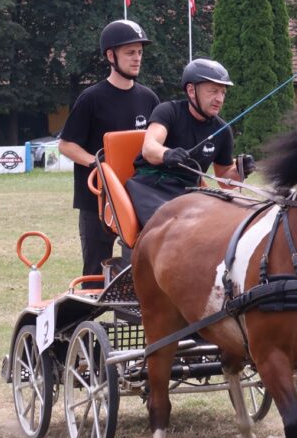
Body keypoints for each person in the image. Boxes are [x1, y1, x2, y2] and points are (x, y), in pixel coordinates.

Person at [58, 19, 159, 283]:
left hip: (138, 199)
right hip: (97, 202)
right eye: (130, 52)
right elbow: (66, 145)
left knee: (141, 274)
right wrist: (96, 164)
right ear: (111, 56)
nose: (137, 58)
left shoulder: (149, 98)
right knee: (94, 275)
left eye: (140, 52)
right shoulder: (91, 98)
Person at [126, 59, 252, 229]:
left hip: (189, 193)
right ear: (191, 90)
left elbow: (223, 178)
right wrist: (167, 154)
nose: (220, 99)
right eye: (213, 91)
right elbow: (149, 148)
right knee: (171, 229)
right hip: (151, 186)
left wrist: (240, 170)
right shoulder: (168, 111)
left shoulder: (223, 130)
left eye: (223, 93)